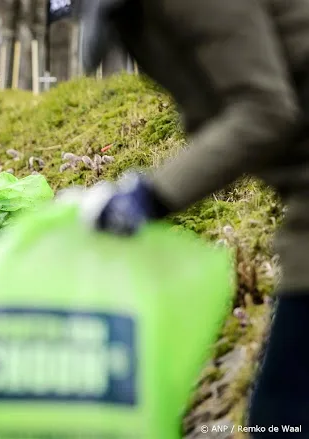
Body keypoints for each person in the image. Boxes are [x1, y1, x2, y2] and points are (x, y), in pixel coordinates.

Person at [73, 0, 309, 434]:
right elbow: (214, 113)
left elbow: (264, 109)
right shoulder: (137, 18)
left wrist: (152, 194)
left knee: (283, 414)